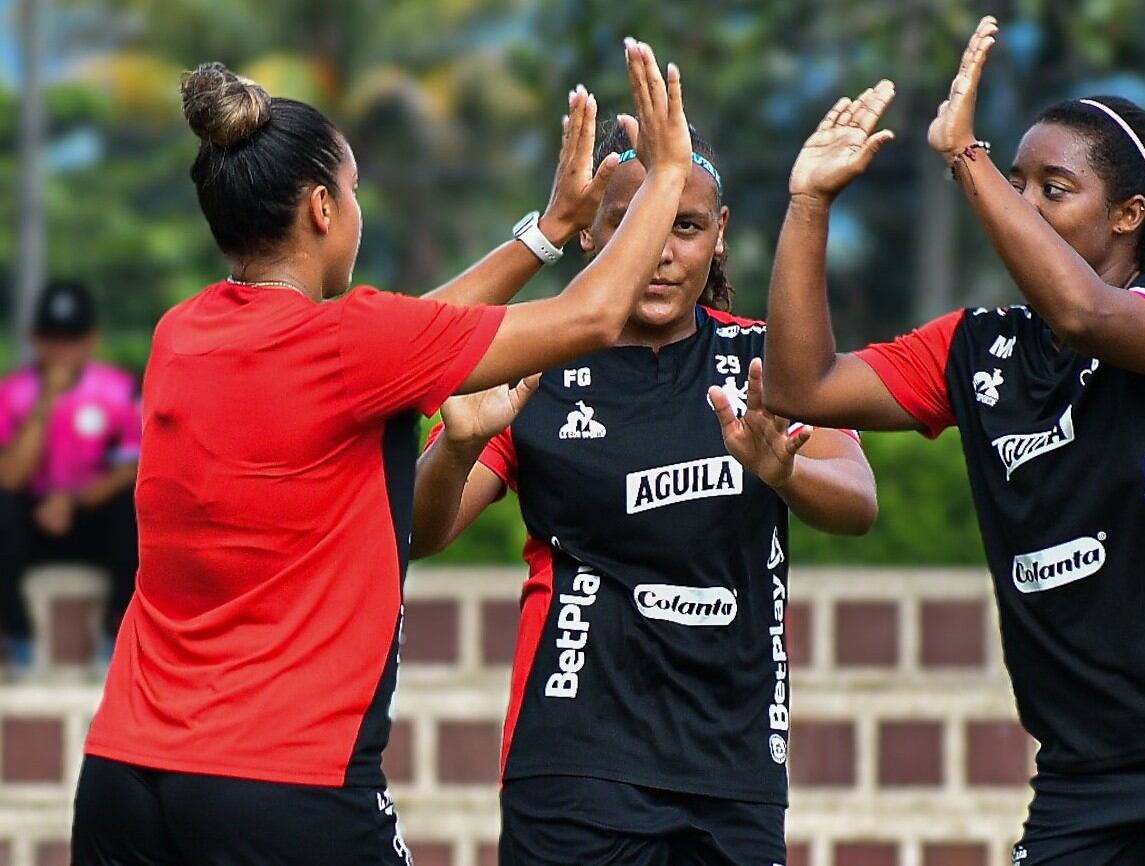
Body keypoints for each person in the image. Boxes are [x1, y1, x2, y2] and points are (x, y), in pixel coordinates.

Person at [73, 39, 694, 866]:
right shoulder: (352, 345)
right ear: (321, 210)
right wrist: (667, 174)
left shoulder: (181, 335)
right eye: (355, 192)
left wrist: (549, 233)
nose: (358, 211)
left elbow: (408, 343)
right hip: (281, 781)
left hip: (124, 772)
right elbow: (591, 318)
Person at [764, 17, 1145, 866]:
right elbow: (803, 388)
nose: (1024, 204)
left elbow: (1083, 314)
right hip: (1087, 777)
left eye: (1054, 188)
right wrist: (809, 204)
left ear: (1129, 215)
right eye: (1015, 182)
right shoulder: (978, 348)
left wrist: (964, 158)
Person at [412, 120, 878, 865]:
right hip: (572, 760)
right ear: (590, 234)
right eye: (632, 223)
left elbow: (857, 501)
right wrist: (460, 444)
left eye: (685, 225)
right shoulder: (534, 364)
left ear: (719, 235)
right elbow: (417, 532)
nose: (660, 251)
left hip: (733, 765)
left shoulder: (765, 359)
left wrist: (782, 470)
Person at [0, 281, 141, 673]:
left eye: (72, 339)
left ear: (92, 340)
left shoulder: (119, 391)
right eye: (52, 339)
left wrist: (73, 502)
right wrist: (47, 400)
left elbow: (130, 467)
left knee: (133, 506)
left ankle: (117, 632)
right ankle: (17, 637)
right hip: (33, 522)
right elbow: (10, 477)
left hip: (90, 514)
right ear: (35, 339)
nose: (61, 350)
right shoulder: (11, 393)